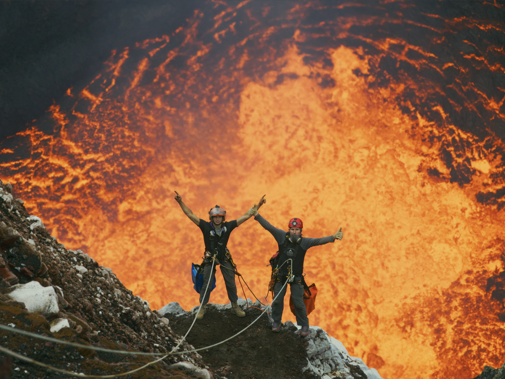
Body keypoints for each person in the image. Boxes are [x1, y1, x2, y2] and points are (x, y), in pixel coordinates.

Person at [251, 198, 343, 337]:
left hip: (296, 278)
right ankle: (276, 322)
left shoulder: (305, 242)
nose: (294, 232)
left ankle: (304, 324)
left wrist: (333, 237)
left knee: (299, 302)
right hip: (280, 276)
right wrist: (257, 216)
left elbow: (318, 241)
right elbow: (269, 227)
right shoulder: (281, 236)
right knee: (277, 301)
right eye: (292, 229)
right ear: (289, 229)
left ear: (301, 231)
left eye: (297, 230)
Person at [174, 191, 264, 320]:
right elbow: (190, 214)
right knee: (207, 281)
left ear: (223, 218)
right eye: (215, 217)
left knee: (231, 282)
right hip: (210, 258)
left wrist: (258, 206)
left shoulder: (228, 226)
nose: (217, 219)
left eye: (219, 217)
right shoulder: (205, 226)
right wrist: (180, 202)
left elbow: (245, 216)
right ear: (211, 218)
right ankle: (203, 307)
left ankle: (234, 305)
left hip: (224, 257)